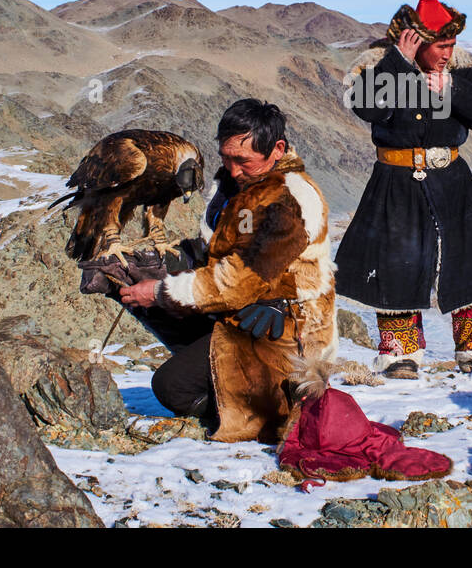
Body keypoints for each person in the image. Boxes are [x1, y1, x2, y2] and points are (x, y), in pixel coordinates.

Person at [117, 99, 336, 443]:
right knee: (146, 299)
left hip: (284, 326)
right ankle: (233, 380)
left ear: (277, 150)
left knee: (170, 387)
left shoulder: (288, 199)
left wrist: (161, 290)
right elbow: (220, 249)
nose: (233, 170)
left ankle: (272, 403)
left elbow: (240, 280)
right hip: (239, 311)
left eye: (243, 161)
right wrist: (167, 261)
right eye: (225, 157)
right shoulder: (233, 186)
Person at [335, 0, 472, 378]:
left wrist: (452, 89)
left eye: (451, 45)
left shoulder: (461, 71)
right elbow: (368, 108)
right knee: (397, 261)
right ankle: (400, 352)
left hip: (451, 179)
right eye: (442, 46)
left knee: (467, 256)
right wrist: (397, 65)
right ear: (416, 41)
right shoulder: (378, 68)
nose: (449, 53)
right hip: (395, 180)